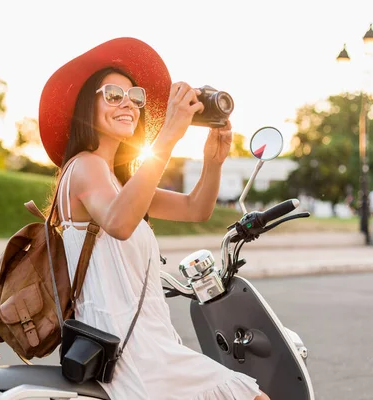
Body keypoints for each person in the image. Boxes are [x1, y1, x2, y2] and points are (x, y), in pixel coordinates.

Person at [39, 37, 269, 400]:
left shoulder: (119, 181)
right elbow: (118, 223)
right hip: (123, 346)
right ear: (88, 104)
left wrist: (213, 161)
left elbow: (196, 209)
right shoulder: (84, 166)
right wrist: (169, 136)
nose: (127, 104)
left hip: (147, 338)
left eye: (135, 97)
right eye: (113, 95)